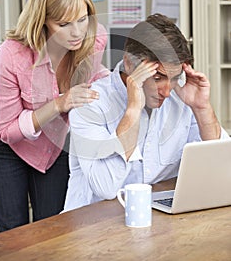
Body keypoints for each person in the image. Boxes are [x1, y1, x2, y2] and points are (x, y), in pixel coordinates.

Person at [62, 13, 229, 212]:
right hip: (91, 226)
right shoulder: (89, 105)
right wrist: (133, 110)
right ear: (130, 64)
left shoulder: (180, 97)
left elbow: (222, 171)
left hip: (155, 220)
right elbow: (106, 188)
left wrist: (202, 108)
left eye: (175, 77)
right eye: (157, 78)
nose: (167, 91)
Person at [0, 0, 108, 233]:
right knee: (12, 234)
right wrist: (60, 103)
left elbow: (90, 77)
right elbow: (8, 130)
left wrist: (116, 82)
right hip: (6, 147)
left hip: (55, 145)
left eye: (82, 19)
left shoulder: (95, 39)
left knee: (55, 229)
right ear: (43, 21)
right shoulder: (10, 56)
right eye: (64, 24)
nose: (77, 32)